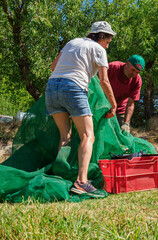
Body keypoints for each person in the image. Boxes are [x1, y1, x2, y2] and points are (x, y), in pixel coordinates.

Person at [45, 21, 117, 196]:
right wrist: (113, 104)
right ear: (101, 36)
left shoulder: (72, 42)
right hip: (73, 88)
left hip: (52, 88)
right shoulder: (99, 50)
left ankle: (62, 174)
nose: (107, 45)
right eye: (108, 41)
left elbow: (53, 67)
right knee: (88, 135)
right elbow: (104, 81)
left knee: (65, 136)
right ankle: (81, 181)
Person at [106, 55, 145, 134]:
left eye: (137, 72)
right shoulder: (112, 67)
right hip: (103, 105)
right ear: (127, 63)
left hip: (120, 110)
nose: (134, 74)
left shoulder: (137, 80)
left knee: (122, 135)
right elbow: (96, 83)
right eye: (132, 70)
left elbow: (131, 104)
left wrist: (126, 123)